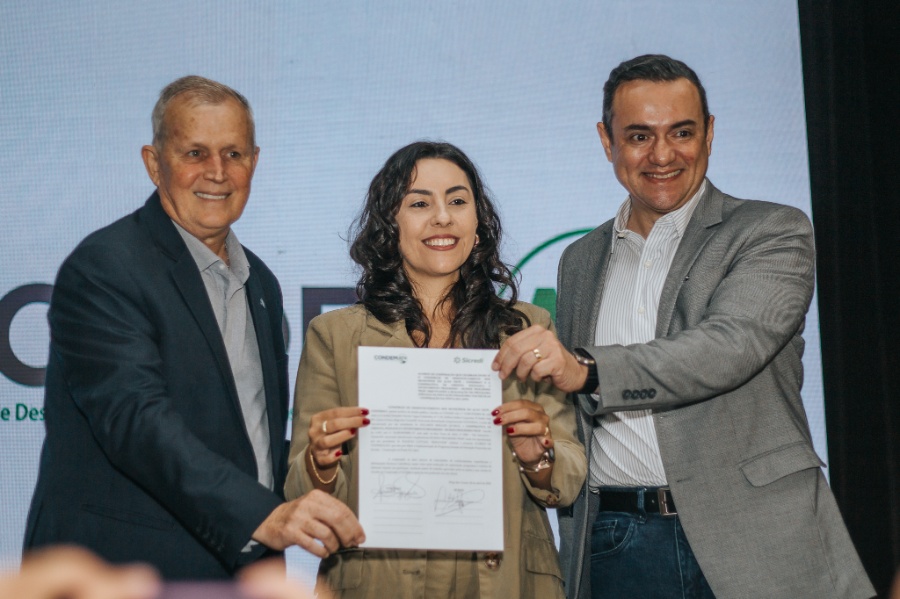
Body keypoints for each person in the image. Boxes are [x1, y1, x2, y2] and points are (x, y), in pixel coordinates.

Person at [492, 55, 874, 598]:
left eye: (682, 132)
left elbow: (729, 346)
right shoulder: (580, 260)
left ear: (710, 133)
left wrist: (588, 369)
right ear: (606, 141)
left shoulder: (771, 231)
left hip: (758, 533)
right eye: (639, 136)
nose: (663, 154)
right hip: (620, 542)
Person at [23, 75, 364, 580]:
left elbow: (252, 439)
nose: (217, 173)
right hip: (120, 575)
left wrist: (307, 471)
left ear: (254, 161)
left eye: (234, 154)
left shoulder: (261, 282)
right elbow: (136, 422)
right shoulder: (105, 268)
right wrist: (262, 515)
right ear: (153, 162)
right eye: (195, 153)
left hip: (241, 572)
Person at [284, 141, 586, 598]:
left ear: (478, 225)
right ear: (390, 225)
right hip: (378, 580)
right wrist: (321, 462)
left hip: (505, 580)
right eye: (420, 203)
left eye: (457, 201)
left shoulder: (526, 329)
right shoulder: (335, 336)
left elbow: (568, 478)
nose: (442, 217)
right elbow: (299, 489)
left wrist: (535, 454)